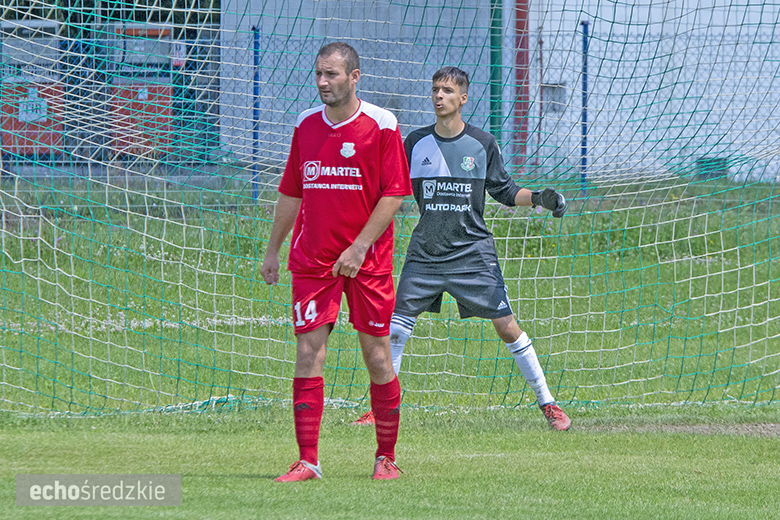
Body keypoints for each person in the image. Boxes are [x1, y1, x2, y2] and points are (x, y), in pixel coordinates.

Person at [351, 66, 571, 431]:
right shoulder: (415, 143)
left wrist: (539, 198)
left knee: (506, 326)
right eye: (436, 90)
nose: (439, 96)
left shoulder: (482, 144)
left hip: (472, 253)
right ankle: (381, 409)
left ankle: (548, 403)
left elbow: (505, 191)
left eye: (448, 91)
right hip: (426, 252)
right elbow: (391, 188)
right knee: (396, 329)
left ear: (463, 98)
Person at [260, 42, 412, 481]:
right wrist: (273, 249)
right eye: (319, 75)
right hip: (313, 262)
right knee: (308, 352)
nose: (323, 82)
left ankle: (386, 457)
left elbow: (395, 193)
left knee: (378, 357)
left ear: (355, 76)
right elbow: (291, 192)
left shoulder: (383, 125)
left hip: (368, 261)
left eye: (332, 75)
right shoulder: (306, 125)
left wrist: (360, 245)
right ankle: (308, 460)